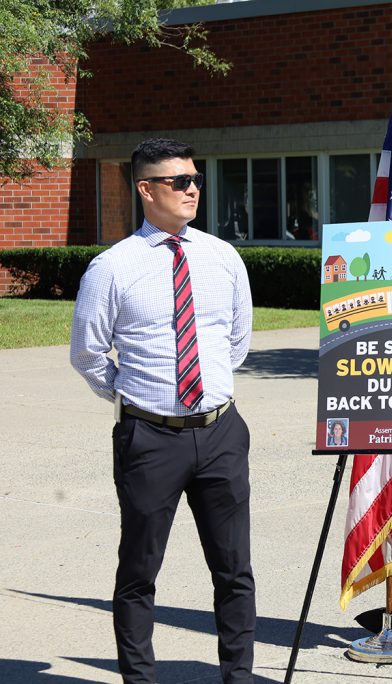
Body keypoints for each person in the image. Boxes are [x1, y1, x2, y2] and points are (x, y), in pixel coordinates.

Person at [71, 138, 256, 684]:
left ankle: (239, 678)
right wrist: (139, 401)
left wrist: (205, 392)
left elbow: (236, 341)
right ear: (146, 189)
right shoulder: (112, 267)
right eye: (179, 181)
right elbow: (89, 354)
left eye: (196, 178)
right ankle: (140, 679)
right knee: (139, 570)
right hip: (150, 438)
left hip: (221, 431)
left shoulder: (223, 257)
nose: (193, 188)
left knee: (234, 569)